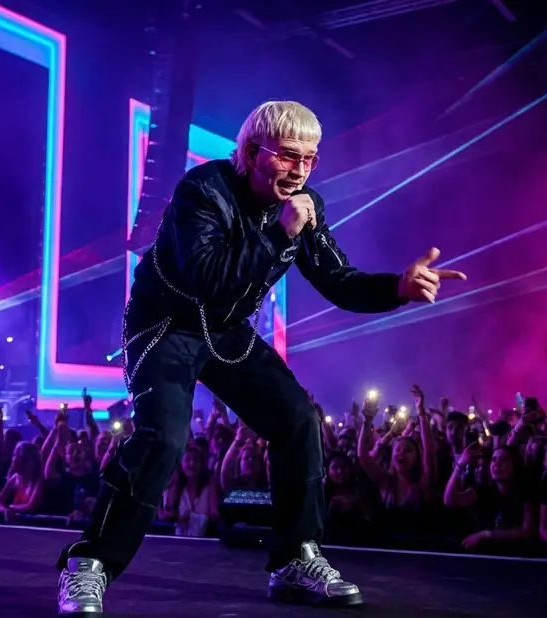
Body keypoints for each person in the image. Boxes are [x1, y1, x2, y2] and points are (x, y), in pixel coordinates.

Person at [56, 100, 466, 615]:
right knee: (164, 437)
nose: (300, 172)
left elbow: (338, 280)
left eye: (310, 160)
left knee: (297, 419)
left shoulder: (303, 206)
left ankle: (296, 559)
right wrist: (281, 232)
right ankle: (89, 564)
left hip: (226, 331)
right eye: (289, 157)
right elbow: (208, 278)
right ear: (251, 152)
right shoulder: (201, 191)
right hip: (167, 327)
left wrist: (398, 288)